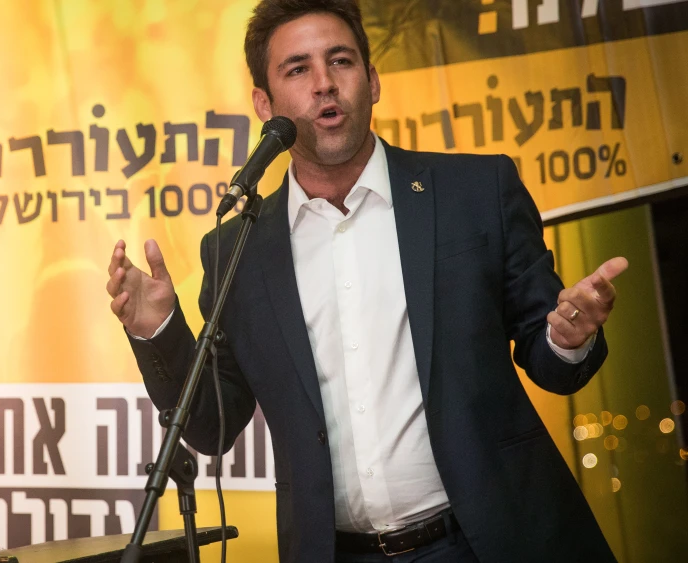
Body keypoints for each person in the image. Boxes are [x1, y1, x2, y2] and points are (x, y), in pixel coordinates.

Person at [107, 1, 626, 561]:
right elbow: (213, 425)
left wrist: (566, 340)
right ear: (264, 104)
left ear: (372, 81)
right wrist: (157, 331)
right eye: (298, 69)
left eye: (341, 61)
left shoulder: (475, 191)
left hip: (492, 540)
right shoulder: (238, 249)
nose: (324, 84)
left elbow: (548, 356)